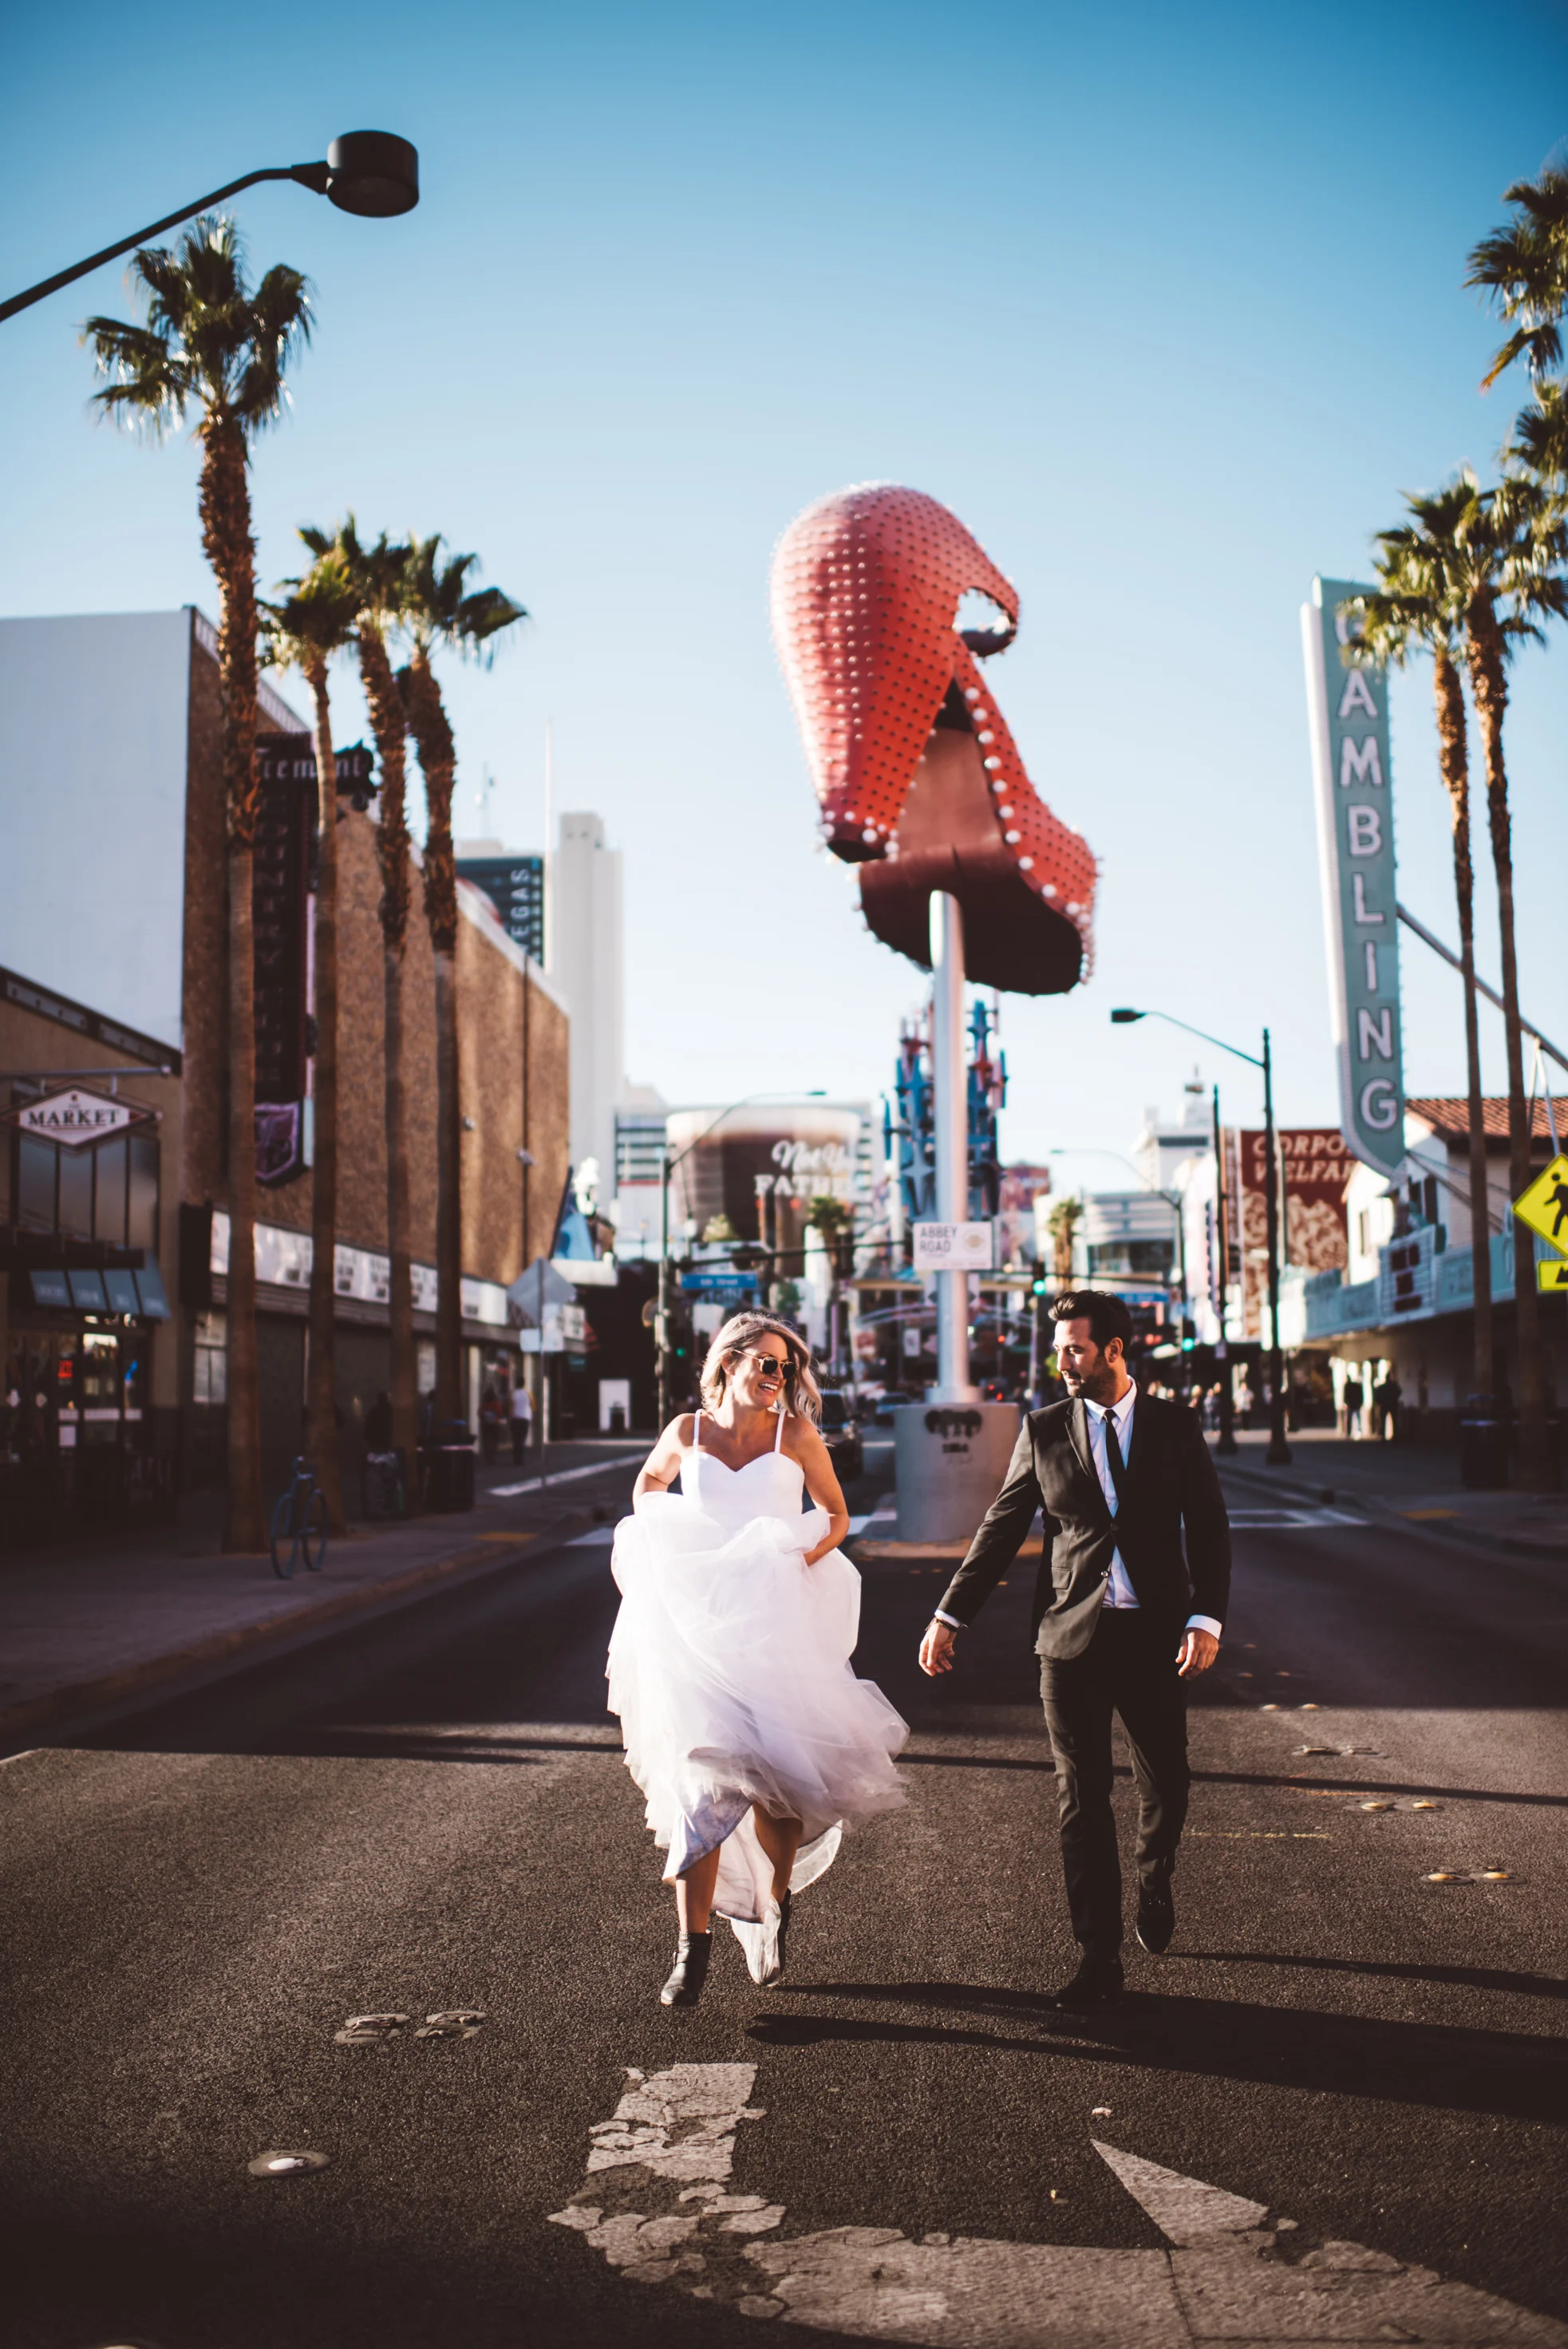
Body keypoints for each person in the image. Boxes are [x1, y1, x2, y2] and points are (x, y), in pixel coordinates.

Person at [919, 1289, 1230, 2011]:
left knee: (1167, 1785)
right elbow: (1000, 1528)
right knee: (1081, 1797)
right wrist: (948, 1615)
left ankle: (1154, 1878)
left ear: (1112, 1351)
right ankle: (1098, 1954)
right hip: (1070, 1639)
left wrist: (1205, 1618)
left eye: (1074, 1349)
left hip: (1155, 1636)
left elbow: (1209, 1527)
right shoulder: (1044, 1429)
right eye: (1058, 1348)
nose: (1060, 1361)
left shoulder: (1174, 1426)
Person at [607, 1310, 907, 2008]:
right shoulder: (687, 1431)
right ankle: (691, 1952)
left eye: (787, 1367)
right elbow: (648, 1487)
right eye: (766, 1363)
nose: (778, 1376)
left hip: (774, 1631)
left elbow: (836, 1516)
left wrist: (794, 1560)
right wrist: (668, 1541)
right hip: (697, 1633)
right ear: (730, 1362)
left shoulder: (794, 1434)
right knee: (700, 1787)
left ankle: (773, 1906)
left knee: (778, 1790)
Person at [509, 1376, 534, 1467]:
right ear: (524, 1384)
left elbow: (511, 1406)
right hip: (525, 1418)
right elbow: (533, 1406)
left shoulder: (513, 1393)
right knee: (522, 1439)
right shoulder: (528, 1393)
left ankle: (516, 1459)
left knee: (515, 1439)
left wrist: (511, 1416)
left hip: (516, 1418)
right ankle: (521, 1459)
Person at [1343, 1373, 1365, 1439]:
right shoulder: (1357, 1386)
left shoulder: (1348, 1386)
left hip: (1351, 1404)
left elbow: (1346, 1396)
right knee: (1357, 1418)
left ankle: (1349, 1432)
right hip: (1355, 1404)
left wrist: (1346, 1403)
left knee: (1350, 1418)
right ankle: (1358, 1431)